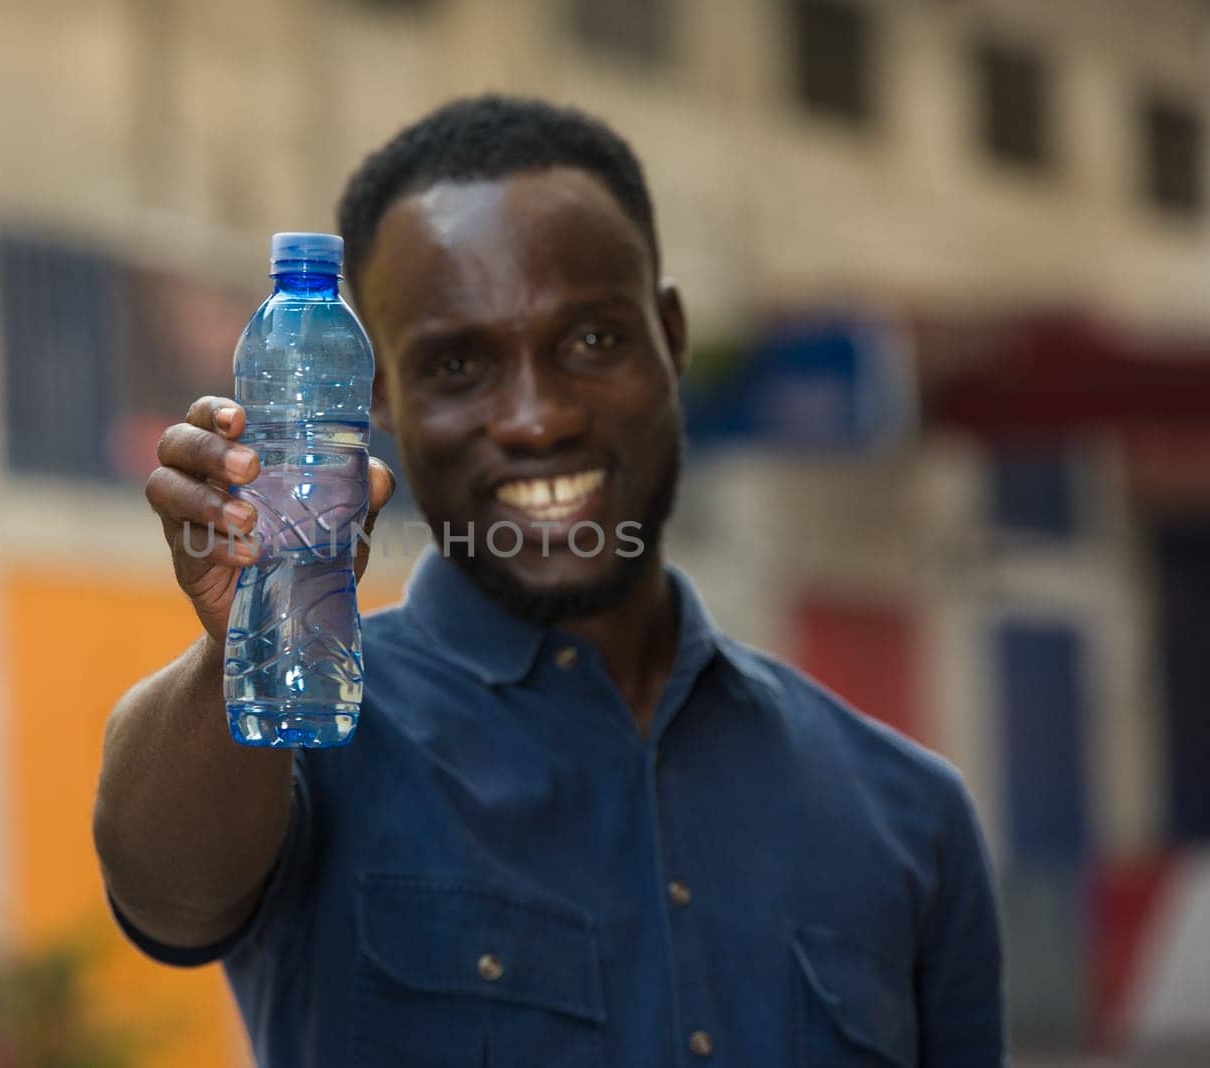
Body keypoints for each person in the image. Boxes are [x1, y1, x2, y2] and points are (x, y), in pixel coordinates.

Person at [94, 95, 1004, 1067]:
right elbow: (167, 890)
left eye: (591, 342)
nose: (535, 419)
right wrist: (244, 642)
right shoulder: (314, 731)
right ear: (379, 401)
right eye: (458, 363)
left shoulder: (910, 815)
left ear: (672, 338)